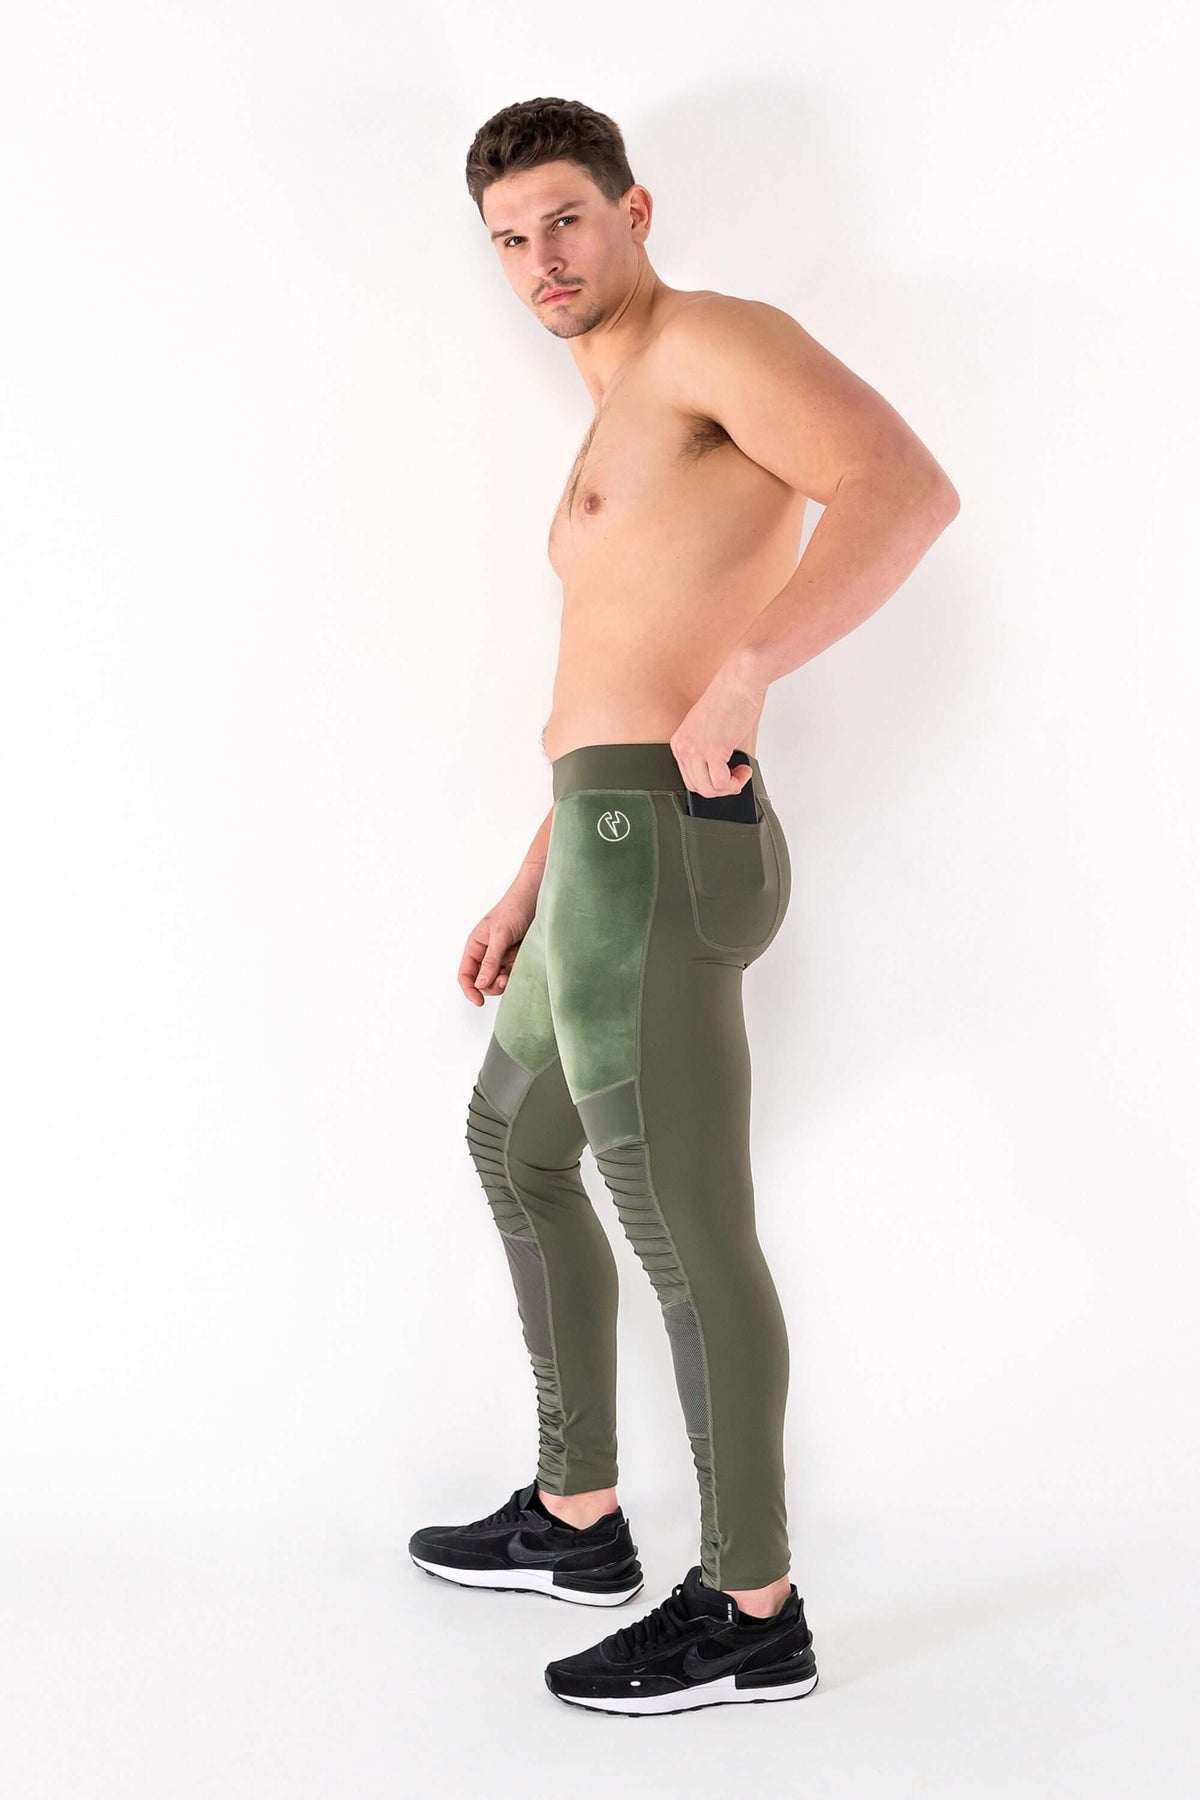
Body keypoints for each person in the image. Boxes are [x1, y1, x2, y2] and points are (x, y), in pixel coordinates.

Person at [408, 96, 959, 1717]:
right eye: (511, 238)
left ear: (635, 212)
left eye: (566, 219)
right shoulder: (614, 419)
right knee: (515, 1145)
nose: (541, 258)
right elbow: (612, 676)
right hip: (597, 845)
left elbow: (903, 487)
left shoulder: (711, 340)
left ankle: (750, 1605)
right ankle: (578, 1514)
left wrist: (753, 670)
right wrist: (533, 874)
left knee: (682, 1218)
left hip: (662, 837)